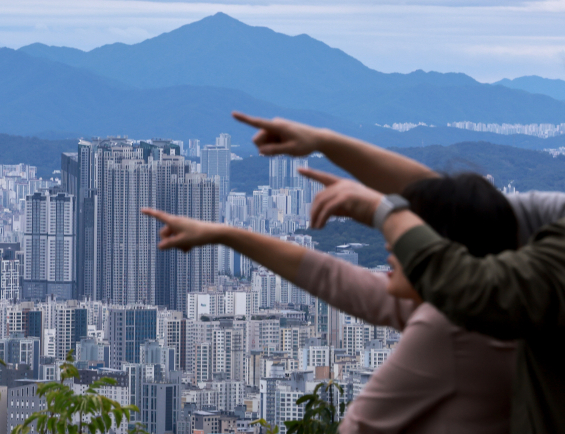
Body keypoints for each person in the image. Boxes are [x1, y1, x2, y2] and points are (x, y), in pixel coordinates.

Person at [229, 112, 565, 432]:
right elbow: (462, 210)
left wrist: (385, 213)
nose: (392, 246)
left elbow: (472, 285)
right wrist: (326, 142)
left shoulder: (451, 327)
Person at [142, 172, 517, 433]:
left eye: (407, 236)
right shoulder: (482, 308)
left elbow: (360, 425)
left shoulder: (445, 327)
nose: (389, 245)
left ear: (439, 254)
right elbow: (335, 280)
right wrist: (226, 234)